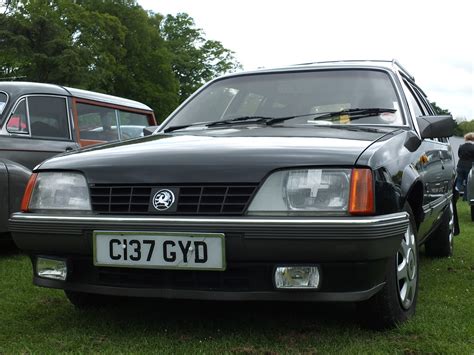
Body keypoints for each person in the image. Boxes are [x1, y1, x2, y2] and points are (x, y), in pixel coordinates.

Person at [455, 132, 474, 199]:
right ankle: (465, 197)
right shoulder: (473, 147)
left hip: (460, 165)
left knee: (459, 180)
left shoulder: (461, 146)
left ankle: (456, 191)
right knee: (467, 182)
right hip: (469, 166)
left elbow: (459, 155)